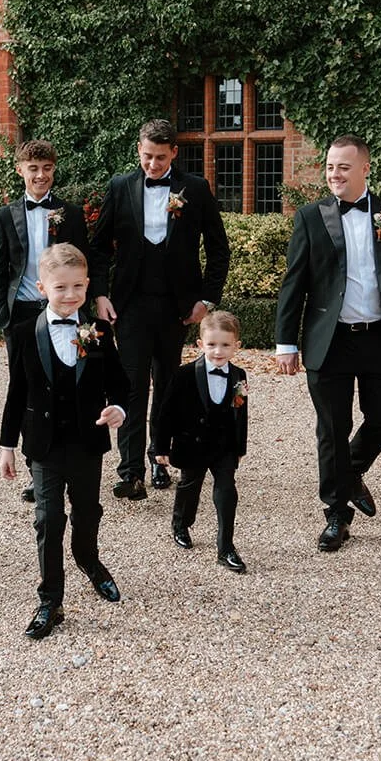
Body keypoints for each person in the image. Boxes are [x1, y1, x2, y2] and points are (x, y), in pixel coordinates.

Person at [274, 135, 381, 553]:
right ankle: (336, 516)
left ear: (365, 169)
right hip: (330, 340)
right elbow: (295, 283)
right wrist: (285, 342)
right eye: (329, 167)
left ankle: (349, 473)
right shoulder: (310, 217)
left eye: (343, 167)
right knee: (332, 428)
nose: (334, 174)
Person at [87, 118, 230, 502]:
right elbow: (99, 248)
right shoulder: (120, 187)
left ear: (175, 154)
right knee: (131, 386)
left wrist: (206, 300)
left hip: (177, 308)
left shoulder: (195, 189)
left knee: (167, 386)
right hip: (129, 305)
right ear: (139, 150)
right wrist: (99, 294)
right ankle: (130, 471)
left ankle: (159, 458)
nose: (153, 165)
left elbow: (219, 249)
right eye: (148, 157)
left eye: (161, 158)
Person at [0, 243, 129, 639]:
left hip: (88, 440)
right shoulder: (22, 333)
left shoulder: (99, 332)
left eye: (77, 287)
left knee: (88, 511)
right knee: (48, 517)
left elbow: (120, 384)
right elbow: (16, 393)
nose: (70, 296)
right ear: (42, 288)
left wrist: (118, 410)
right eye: (60, 288)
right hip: (44, 444)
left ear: (87, 285)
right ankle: (50, 598)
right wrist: (7, 445)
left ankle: (88, 558)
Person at [0, 139, 89, 504]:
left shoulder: (71, 214)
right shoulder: (5, 216)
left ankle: (66, 461)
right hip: (22, 313)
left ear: (53, 170)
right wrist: (3, 318)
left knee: (63, 382)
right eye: (33, 169)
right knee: (26, 386)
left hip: (61, 309)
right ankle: (37, 467)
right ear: (21, 170)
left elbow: (83, 263)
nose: (41, 175)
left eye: (46, 168)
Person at [152, 309, 250, 574]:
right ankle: (181, 524)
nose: (218, 351)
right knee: (189, 487)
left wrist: (240, 446)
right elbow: (166, 413)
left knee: (227, 491)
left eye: (225, 345)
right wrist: (160, 448)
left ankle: (225, 547)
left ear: (236, 346)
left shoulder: (239, 375)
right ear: (200, 345)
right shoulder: (183, 374)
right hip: (191, 444)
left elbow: (241, 412)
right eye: (212, 345)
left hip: (224, 446)